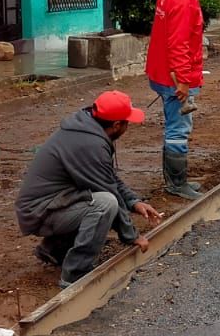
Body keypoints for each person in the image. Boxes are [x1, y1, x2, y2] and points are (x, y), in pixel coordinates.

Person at [15, 90, 163, 287]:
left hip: (51, 204)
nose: (128, 127)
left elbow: (108, 177)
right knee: (105, 204)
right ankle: (75, 274)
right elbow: (109, 190)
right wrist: (131, 236)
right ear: (116, 125)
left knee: (96, 198)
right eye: (127, 123)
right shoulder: (90, 145)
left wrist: (133, 202)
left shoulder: (87, 129)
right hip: (39, 212)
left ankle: (54, 250)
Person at [147, 0, 212, 200]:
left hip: (162, 71)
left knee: (175, 127)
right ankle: (176, 183)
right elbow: (178, 44)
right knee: (178, 129)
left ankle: (175, 181)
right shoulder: (185, 1)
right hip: (174, 78)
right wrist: (183, 81)